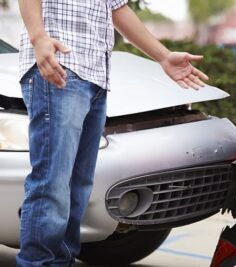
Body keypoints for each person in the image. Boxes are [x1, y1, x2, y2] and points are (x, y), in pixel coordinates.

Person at [17, 0, 209, 266]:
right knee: (53, 183)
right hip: (59, 67)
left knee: (78, 186)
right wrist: (38, 38)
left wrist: (163, 56)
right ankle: (37, 263)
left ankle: (61, 261)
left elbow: (117, 9)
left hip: (95, 76)